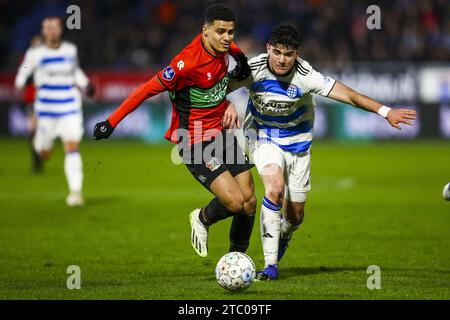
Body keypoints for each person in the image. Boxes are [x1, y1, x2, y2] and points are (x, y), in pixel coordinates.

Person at [226, 24, 417, 280]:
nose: (282, 59)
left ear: (297, 53)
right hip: (263, 138)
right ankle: (270, 266)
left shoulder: (307, 75)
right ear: (268, 49)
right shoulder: (252, 69)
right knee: (274, 187)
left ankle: (284, 234)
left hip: (299, 145)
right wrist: (226, 102)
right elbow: (215, 90)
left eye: (289, 54)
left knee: (295, 217)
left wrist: (386, 112)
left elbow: (349, 95)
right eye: (278, 52)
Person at [93, 4, 257, 258]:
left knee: (249, 201)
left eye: (231, 32)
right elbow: (145, 90)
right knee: (234, 202)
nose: (227, 38)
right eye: (221, 32)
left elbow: (233, 50)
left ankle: (238, 258)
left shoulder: (226, 49)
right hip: (193, 140)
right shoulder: (186, 64)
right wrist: (111, 122)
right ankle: (202, 218)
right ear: (205, 32)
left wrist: (241, 62)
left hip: (221, 133)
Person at [15, 16, 95, 207]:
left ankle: (76, 193)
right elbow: (25, 69)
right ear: (43, 31)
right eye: (47, 27)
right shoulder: (35, 54)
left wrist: (86, 85)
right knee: (44, 152)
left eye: (54, 27)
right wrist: (22, 79)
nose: (51, 30)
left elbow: (75, 71)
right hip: (46, 109)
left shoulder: (70, 50)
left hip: (69, 106)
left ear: (60, 30)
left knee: (72, 147)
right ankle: (40, 145)